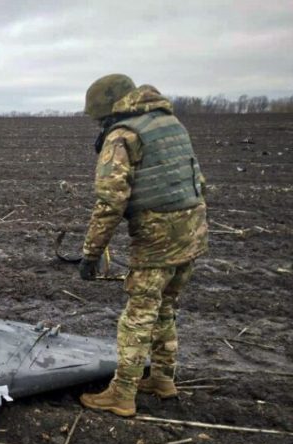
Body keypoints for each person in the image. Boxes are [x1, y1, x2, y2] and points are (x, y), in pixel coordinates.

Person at [77, 74, 209, 417]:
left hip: (158, 240)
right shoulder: (169, 123)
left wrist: (90, 254)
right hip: (193, 231)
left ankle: (121, 395)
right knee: (166, 307)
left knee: (138, 315)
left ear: (107, 109)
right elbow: (198, 181)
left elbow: (109, 203)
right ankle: (162, 380)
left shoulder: (123, 135)